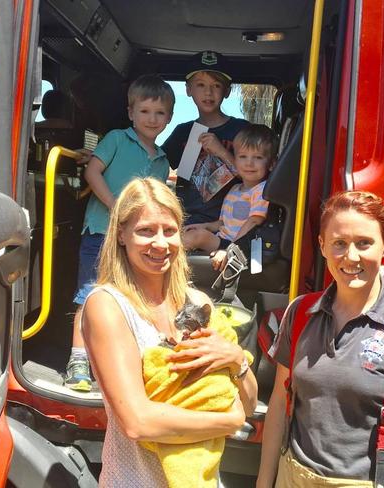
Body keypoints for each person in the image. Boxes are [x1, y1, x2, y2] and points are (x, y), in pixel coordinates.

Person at [256, 191, 384, 488]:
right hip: (295, 478)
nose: (351, 256)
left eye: (364, 243)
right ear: (322, 246)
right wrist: (265, 482)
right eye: (339, 243)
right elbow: (281, 402)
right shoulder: (301, 312)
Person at [81, 178, 258, 487]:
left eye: (170, 230)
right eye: (145, 230)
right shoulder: (107, 306)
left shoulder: (198, 302)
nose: (161, 243)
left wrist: (237, 361)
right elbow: (137, 422)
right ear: (121, 234)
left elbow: (248, 404)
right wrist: (229, 422)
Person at [64, 76, 175, 391]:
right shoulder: (115, 139)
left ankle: (115, 361)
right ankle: (78, 360)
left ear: (168, 118)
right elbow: (92, 171)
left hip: (133, 242)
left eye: (160, 113)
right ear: (131, 113)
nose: (152, 119)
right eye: (145, 111)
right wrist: (116, 207)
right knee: (91, 294)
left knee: (127, 298)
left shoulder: (163, 160)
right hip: (101, 231)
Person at [163, 51, 249, 225]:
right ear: (188, 90)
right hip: (186, 221)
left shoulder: (242, 130)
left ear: (227, 91)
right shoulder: (183, 132)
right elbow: (157, 165)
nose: (208, 92)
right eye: (200, 85)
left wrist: (222, 152)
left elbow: (254, 179)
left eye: (216, 85)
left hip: (229, 222)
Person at [182, 124, 276, 270]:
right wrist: (204, 226)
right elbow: (222, 223)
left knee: (197, 237)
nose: (249, 163)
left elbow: (254, 221)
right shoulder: (234, 189)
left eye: (258, 157)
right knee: (192, 232)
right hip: (223, 239)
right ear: (235, 160)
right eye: (243, 156)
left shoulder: (262, 190)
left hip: (239, 245)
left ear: (271, 164)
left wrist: (231, 251)